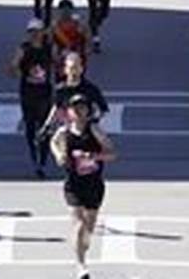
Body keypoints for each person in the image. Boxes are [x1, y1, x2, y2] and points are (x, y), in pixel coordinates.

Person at [51, 93, 115, 279]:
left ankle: (82, 247)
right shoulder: (64, 133)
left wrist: (94, 157)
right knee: (78, 223)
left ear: (88, 111)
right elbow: (54, 143)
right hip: (73, 185)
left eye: (82, 107)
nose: (78, 111)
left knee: (89, 226)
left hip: (94, 184)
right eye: (75, 108)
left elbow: (112, 153)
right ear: (69, 112)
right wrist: (59, 156)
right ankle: (80, 265)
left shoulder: (94, 130)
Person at [11, 18, 54, 178]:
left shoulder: (49, 48)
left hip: (45, 93)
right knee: (30, 126)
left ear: (43, 33)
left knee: (44, 127)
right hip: (28, 92)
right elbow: (12, 67)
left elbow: (57, 64)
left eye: (38, 31)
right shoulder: (24, 49)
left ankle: (42, 161)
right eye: (32, 32)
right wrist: (16, 69)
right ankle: (34, 157)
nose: (35, 35)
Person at [52, 0, 91, 67]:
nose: (65, 11)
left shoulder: (78, 24)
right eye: (63, 9)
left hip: (76, 51)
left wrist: (87, 46)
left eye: (68, 9)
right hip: (61, 52)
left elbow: (86, 36)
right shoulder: (56, 25)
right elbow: (50, 40)